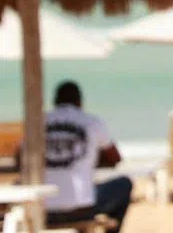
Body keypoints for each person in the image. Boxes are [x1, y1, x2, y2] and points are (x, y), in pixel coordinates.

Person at [41, 81, 132, 233]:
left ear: (55, 101)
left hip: (41, 208)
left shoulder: (38, 122)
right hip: (81, 209)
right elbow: (115, 158)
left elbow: (21, 158)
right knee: (124, 184)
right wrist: (86, 160)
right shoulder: (92, 122)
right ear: (79, 102)